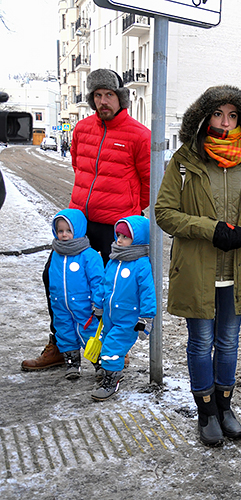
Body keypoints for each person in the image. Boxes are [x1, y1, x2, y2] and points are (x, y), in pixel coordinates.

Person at [155, 85, 241, 447]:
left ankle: (225, 407)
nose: (225, 122)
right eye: (219, 114)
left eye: (233, 115)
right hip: (197, 269)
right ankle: (206, 412)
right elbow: (164, 212)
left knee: (229, 342)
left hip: (237, 270)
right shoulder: (185, 161)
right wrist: (211, 230)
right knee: (201, 340)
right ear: (206, 117)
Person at [22, 68, 150, 372]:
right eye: (97, 95)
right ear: (92, 99)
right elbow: (79, 167)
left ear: (120, 98)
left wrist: (127, 211)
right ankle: (60, 344)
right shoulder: (81, 130)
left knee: (110, 290)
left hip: (116, 227)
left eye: (109, 95)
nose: (103, 101)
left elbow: (148, 183)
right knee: (54, 278)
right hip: (79, 221)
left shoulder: (139, 135)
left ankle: (112, 348)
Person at [92, 216, 156, 401]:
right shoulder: (114, 260)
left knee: (113, 347)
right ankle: (109, 371)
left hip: (127, 319)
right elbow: (104, 284)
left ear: (137, 239)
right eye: (118, 235)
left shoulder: (141, 264)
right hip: (110, 316)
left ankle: (112, 380)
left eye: (125, 237)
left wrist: (146, 318)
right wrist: (98, 304)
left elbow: (147, 292)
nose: (119, 240)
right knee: (106, 343)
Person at [48, 208, 105, 380]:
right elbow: (53, 278)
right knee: (64, 331)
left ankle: (100, 362)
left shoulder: (89, 255)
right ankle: (72, 362)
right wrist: (54, 298)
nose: (64, 235)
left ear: (78, 230)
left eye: (68, 231)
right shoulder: (57, 254)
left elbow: (98, 280)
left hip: (84, 305)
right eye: (60, 231)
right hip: (61, 304)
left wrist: (98, 302)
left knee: (89, 332)